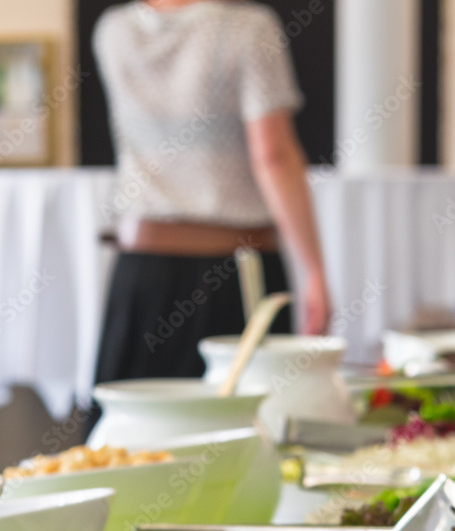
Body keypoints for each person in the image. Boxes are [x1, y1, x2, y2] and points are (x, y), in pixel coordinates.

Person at [92, 0, 330, 385]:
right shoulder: (250, 29)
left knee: (133, 437)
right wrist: (314, 271)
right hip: (233, 275)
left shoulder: (112, 30)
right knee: (247, 430)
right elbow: (273, 156)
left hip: (140, 274)